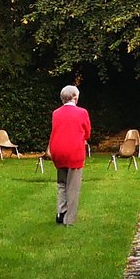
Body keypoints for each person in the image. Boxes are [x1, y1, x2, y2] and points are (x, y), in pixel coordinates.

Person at [47, 84, 91, 226]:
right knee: (73, 186)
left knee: (61, 183)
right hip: (74, 152)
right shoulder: (82, 112)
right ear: (75, 97)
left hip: (57, 151)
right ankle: (69, 219)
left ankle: (60, 213)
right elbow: (87, 133)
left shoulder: (56, 113)